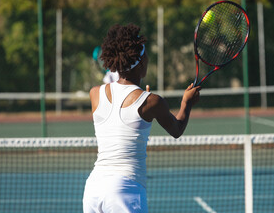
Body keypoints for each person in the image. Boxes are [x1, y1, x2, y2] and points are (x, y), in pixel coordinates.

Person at [83, 23, 201, 213]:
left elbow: (123, 107)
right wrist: (186, 103)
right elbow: (177, 129)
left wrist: (143, 99)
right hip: (125, 189)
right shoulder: (152, 102)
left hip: (93, 189)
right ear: (140, 62)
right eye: (146, 56)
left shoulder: (94, 93)